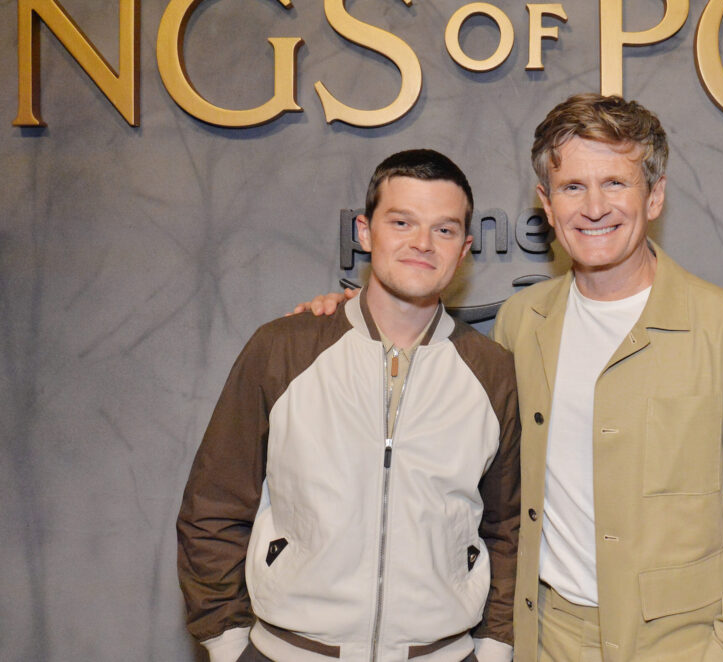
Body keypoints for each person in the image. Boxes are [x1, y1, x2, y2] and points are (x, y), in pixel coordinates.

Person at [299, 95, 723, 662]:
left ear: (655, 194)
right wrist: (346, 312)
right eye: (571, 187)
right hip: (547, 640)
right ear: (545, 202)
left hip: (683, 646)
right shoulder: (522, 322)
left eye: (615, 183)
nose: (594, 207)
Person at [177, 149, 521, 662]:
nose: (422, 244)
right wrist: (227, 642)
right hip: (289, 650)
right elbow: (213, 507)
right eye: (401, 222)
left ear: (465, 247)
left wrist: (494, 648)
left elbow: (507, 525)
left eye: (444, 230)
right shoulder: (283, 349)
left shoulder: (491, 370)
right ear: (365, 231)